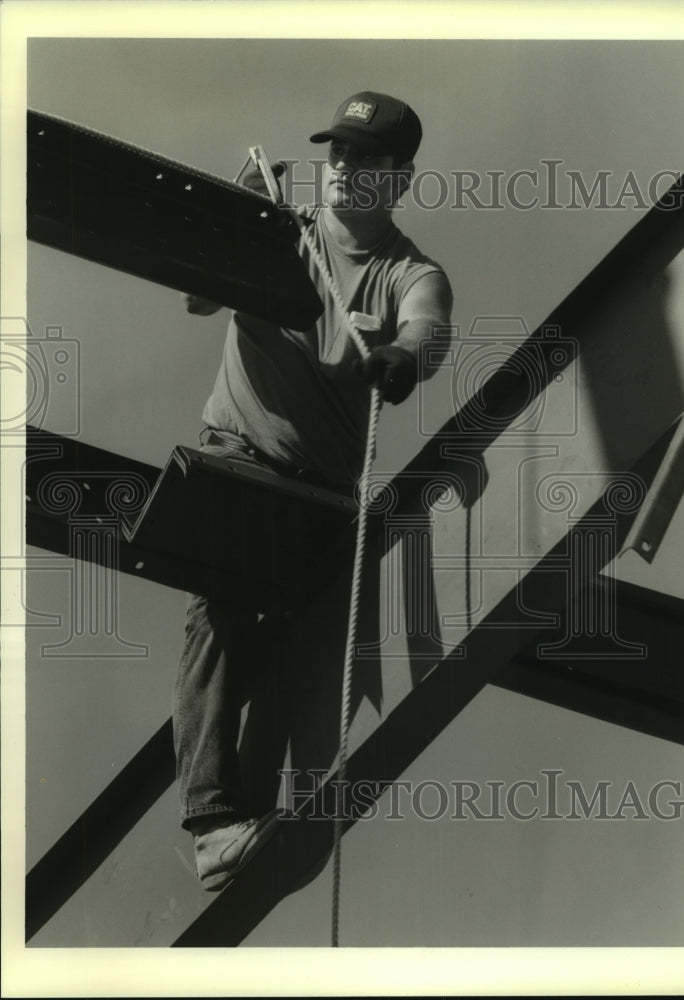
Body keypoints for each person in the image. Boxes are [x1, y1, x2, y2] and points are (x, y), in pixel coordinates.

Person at [174, 91, 453, 891]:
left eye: (364, 159)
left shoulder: (408, 271)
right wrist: (237, 217)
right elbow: (198, 297)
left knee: (304, 663)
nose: (342, 169)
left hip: (321, 502)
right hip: (243, 457)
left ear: (396, 179)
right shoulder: (286, 233)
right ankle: (214, 819)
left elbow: (427, 324)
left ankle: (256, 826)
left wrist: (402, 357)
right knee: (222, 609)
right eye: (337, 153)